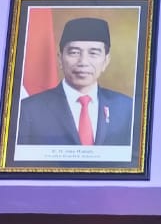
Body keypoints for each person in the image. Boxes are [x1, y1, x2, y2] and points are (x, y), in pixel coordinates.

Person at [16, 17, 134, 146]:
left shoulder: (126, 108)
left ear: (106, 61)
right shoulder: (28, 109)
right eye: (74, 52)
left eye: (93, 53)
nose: (83, 62)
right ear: (60, 59)